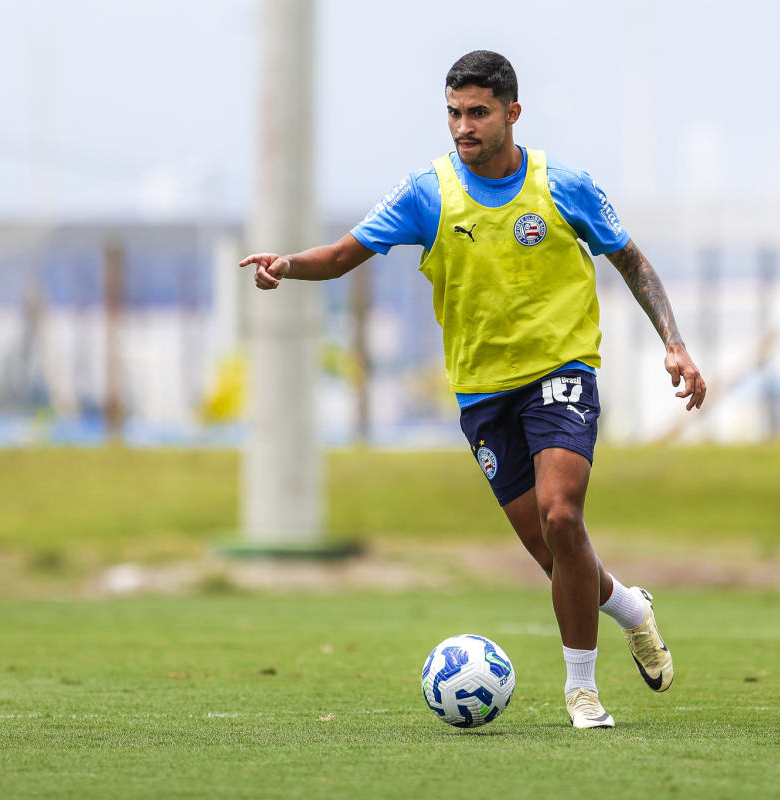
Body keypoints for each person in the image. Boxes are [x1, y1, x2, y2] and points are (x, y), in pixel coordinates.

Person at [240, 50, 706, 729]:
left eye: (478, 112)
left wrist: (674, 341)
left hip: (562, 372)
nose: (465, 126)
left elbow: (630, 259)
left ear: (511, 113)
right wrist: (288, 264)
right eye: (455, 112)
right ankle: (632, 609)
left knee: (562, 516)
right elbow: (343, 256)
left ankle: (582, 689)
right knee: (553, 550)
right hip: (482, 397)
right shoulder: (427, 193)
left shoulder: (561, 184)